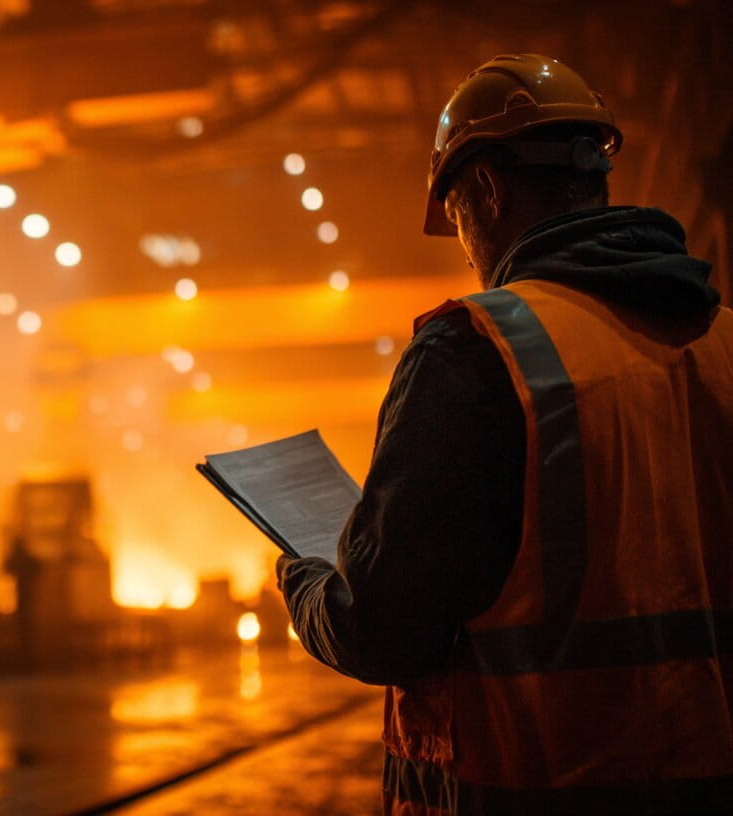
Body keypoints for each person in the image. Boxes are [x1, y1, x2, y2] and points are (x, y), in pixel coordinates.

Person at [277, 54, 733, 814]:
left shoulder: (478, 352)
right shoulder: (725, 342)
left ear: (486, 189)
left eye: (454, 214)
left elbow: (380, 630)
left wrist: (305, 578)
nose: (462, 246)